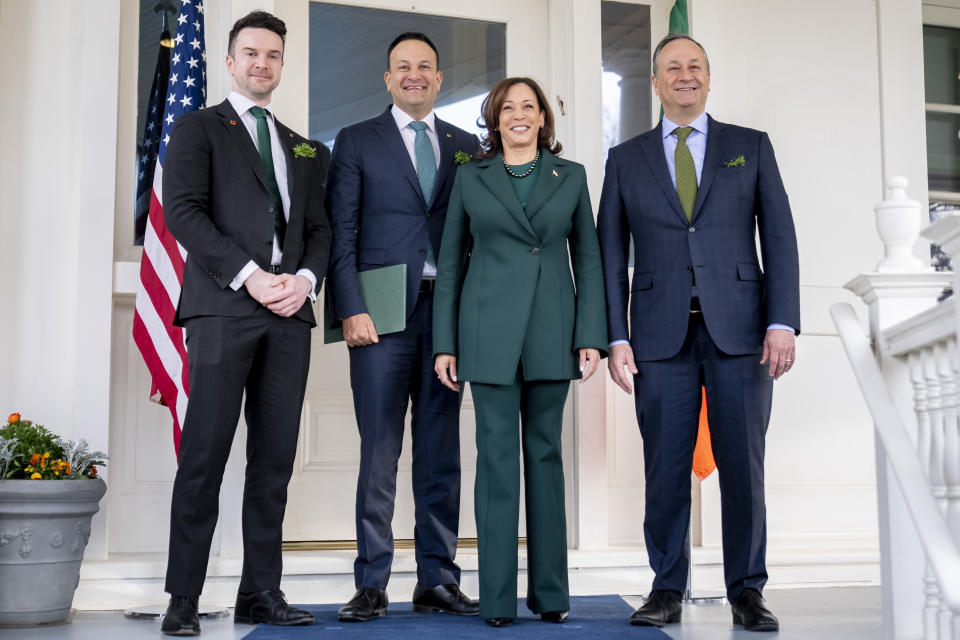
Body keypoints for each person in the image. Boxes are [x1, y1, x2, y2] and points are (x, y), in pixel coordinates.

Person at [597, 33, 800, 632]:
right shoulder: (625, 158)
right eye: (672, 69)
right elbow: (611, 255)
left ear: (708, 79)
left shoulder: (750, 147)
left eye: (695, 67)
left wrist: (782, 320)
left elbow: (780, 238)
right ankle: (666, 589)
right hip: (658, 338)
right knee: (663, 471)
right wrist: (616, 335)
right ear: (655, 83)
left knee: (744, 468)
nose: (684, 76)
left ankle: (747, 591)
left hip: (742, 333)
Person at [159, 10, 330, 636]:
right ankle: (183, 597)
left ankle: (261, 592)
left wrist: (304, 280)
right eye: (251, 53)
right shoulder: (197, 128)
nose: (262, 63)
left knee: (273, 462)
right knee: (203, 455)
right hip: (224, 308)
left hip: (288, 318)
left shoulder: (306, 146)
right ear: (230, 62)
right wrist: (250, 275)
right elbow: (183, 211)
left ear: (282, 64)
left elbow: (320, 229)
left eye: (273, 55)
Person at [433, 77, 608, 627]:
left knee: (545, 458)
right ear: (494, 118)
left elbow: (590, 259)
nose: (518, 115)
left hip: (553, 331)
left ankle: (552, 596)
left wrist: (591, 336)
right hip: (486, 334)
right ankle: (497, 599)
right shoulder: (470, 176)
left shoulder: (571, 176)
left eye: (528, 106)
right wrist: (446, 343)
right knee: (497, 463)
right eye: (507, 107)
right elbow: (451, 266)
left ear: (542, 119)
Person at [326, 32, 480, 621]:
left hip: (446, 316)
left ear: (440, 79)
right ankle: (372, 582)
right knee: (380, 453)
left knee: (441, 453)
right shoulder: (356, 140)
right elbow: (341, 230)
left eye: (425, 67)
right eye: (402, 67)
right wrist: (349, 306)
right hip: (380, 316)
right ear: (387, 79)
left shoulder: (466, 146)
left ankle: (437, 579)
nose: (414, 75)